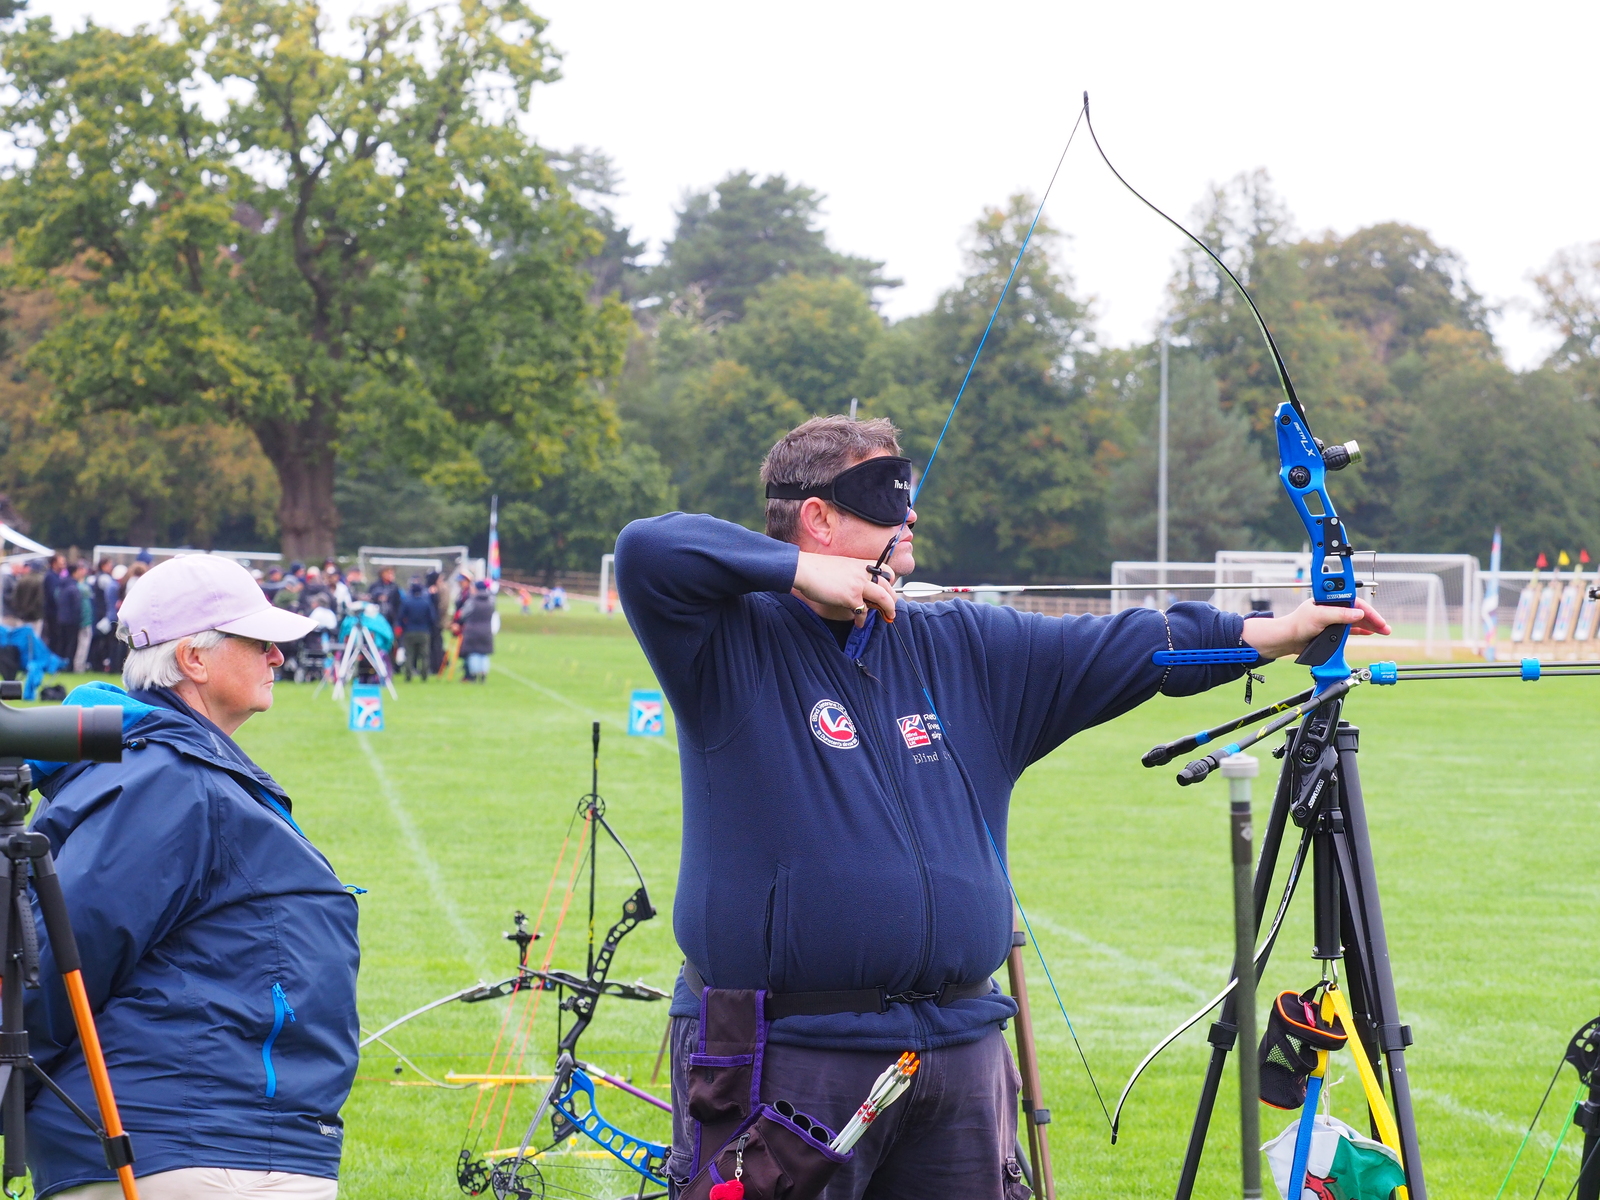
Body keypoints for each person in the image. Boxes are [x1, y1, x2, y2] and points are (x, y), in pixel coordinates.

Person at [613, 415, 1391, 1198]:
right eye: (884, 494)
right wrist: (799, 573)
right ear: (816, 516)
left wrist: (1278, 633)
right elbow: (649, 549)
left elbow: (1129, 645)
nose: (910, 511)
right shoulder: (728, 642)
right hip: (789, 1058)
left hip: (958, 1054)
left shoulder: (961, 644)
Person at [21, 553, 358, 1199]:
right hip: (188, 1148)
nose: (278, 656)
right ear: (193, 660)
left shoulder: (175, 772)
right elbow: (65, 960)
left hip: (204, 1140)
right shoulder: (168, 783)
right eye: (258, 641)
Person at [396, 579, 438, 681]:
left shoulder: (407, 602)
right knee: (424, 655)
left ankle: (408, 675)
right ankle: (424, 675)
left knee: (409, 654)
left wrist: (403, 627)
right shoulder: (426, 603)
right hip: (424, 631)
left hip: (409, 631)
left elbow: (400, 617)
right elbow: (432, 618)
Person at [455, 580, 496, 682]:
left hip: (472, 630)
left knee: (473, 653)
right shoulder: (491, 601)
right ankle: (483, 674)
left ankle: (473, 674)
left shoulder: (472, 601)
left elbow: (463, 614)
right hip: (486, 630)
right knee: (484, 654)